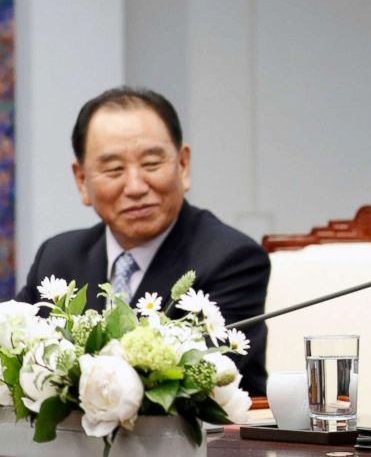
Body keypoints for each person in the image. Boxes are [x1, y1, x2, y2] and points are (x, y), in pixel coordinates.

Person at [16, 87, 270, 396]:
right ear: (82, 180)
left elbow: (203, 380)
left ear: (183, 165)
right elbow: (14, 355)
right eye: (114, 169)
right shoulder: (57, 257)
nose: (135, 186)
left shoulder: (232, 258)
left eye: (151, 164)